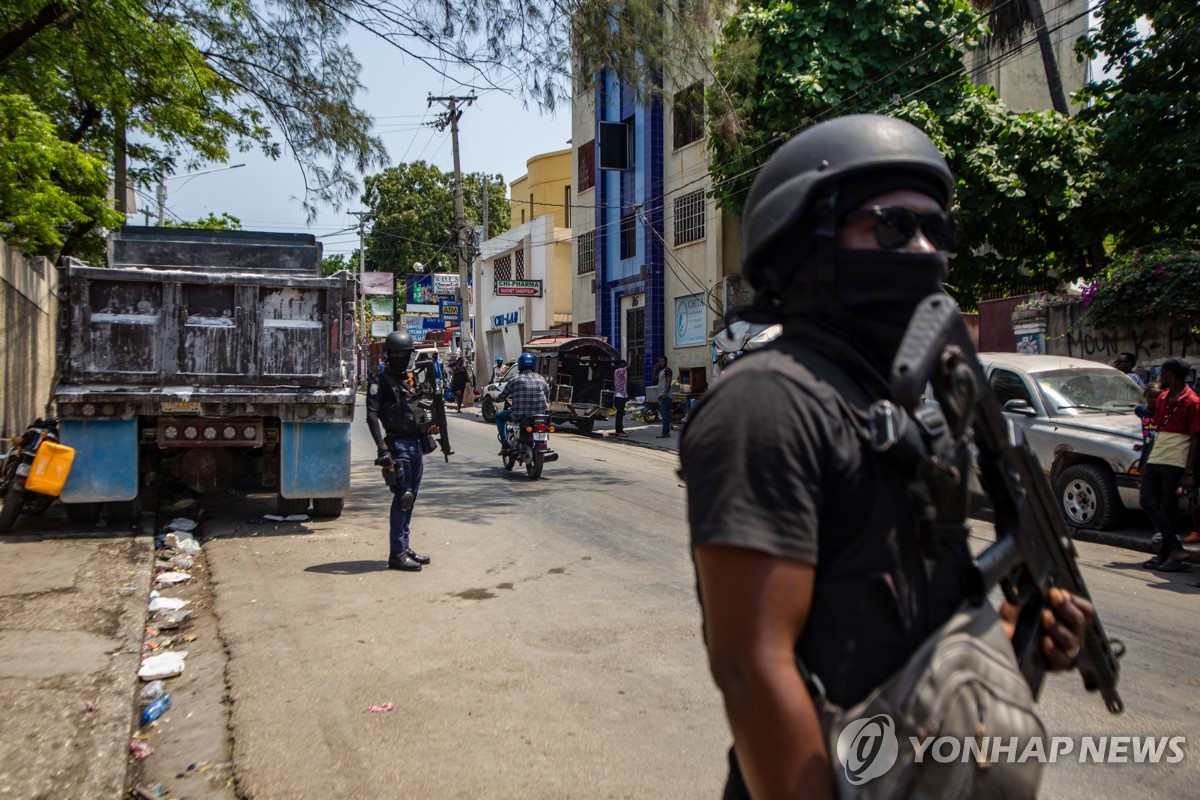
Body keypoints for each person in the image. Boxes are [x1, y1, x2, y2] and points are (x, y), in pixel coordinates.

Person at [679, 114, 1093, 800]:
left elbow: (911, 618)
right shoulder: (768, 401)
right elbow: (752, 669)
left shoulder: (902, 411)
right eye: (894, 227)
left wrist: (1021, 632)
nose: (926, 250)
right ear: (809, 243)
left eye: (939, 232)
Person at [365, 331, 438, 572]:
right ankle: (396, 552)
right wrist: (382, 448)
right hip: (398, 445)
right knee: (403, 498)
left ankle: (404, 547)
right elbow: (372, 416)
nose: (401, 357)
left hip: (416, 444)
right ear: (389, 355)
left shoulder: (410, 380)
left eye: (404, 353)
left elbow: (418, 410)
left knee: (411, 498)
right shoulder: (380, 382)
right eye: (396, 353)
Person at [1140, 357, 1199, 572]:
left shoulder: (1192, 401)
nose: (1159, 377)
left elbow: (1195, 437)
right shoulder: (1164, 397)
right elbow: (1158, 429)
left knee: (1168, 504)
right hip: (1159, 453)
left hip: (1176, 457)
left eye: (1162, 373)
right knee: (1147, 500)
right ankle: (1173, 548)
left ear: (1171, 375)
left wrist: (1189, 472)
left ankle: (1168, 553)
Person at [495, 353, 549, 454]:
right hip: (540, 416)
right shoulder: (541, 379)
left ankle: (505, 444)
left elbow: (502, 396)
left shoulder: (514, 380)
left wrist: (496, 399)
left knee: (499, 416)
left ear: (520, 365)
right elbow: (547, 395)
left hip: (520, 415)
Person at [654, 355, 673, 438]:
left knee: (664, 415)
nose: (661, 363)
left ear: (666, 362)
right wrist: (654, 369)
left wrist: (665, 394)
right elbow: (654, 379)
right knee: (666, 414)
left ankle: (665, 432)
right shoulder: (661, 371)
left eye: (663, 361)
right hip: (661, 394)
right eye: (660, 361)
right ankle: (667, 431)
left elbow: (668, 383)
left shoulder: (667, 370)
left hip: (665, 395)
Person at [612, 359, 629, 437]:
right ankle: (620, 431)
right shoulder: (619, 371)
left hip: (619, 396)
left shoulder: (617, 371)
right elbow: (628, 367)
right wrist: (630, 357)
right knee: (620, 415)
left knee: (619, 415)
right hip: (620, 396)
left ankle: (618, 430)